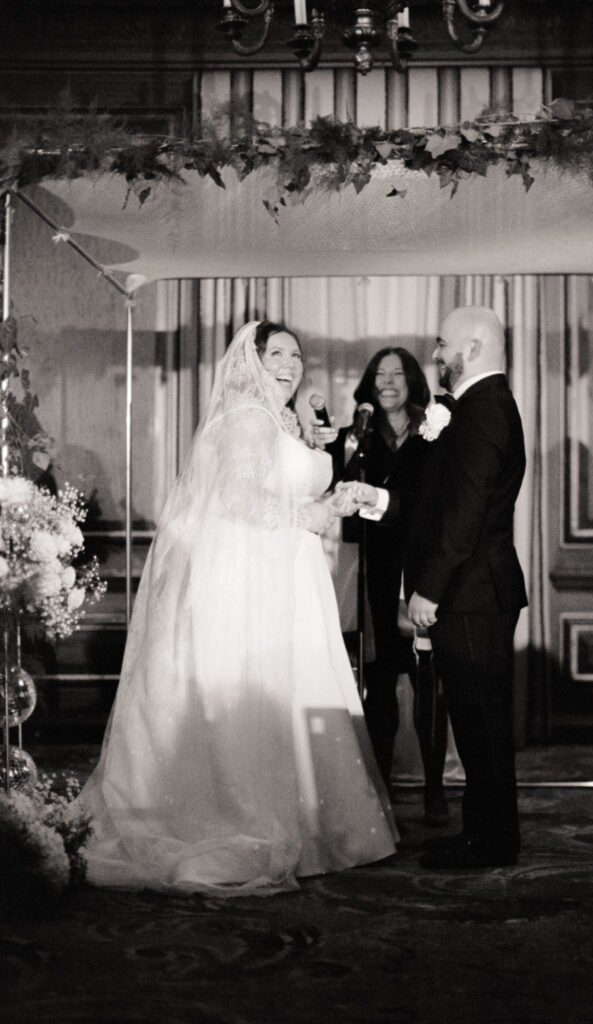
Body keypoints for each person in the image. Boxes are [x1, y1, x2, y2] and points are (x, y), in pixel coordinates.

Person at [77, 321, 397, 896]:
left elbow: (276, 490)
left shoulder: (281, 420)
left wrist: (327, 497)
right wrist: (312, 514)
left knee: (296, 688)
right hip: (252, 579)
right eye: (275, 353)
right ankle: (261, 821)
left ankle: (317, 828)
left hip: (288, 570)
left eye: (296, 355)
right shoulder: (246, 418)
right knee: (262, 694)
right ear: (250, 361)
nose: (289, 364)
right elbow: (238, 499)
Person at [404, 307, 527, 870]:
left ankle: (492, 842)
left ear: (472, 348)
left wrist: (429, 590)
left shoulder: (484, 410)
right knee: (478, 725)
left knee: (482, 726)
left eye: (442, 344)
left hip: (473, 594)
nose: (435, 354)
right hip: (475, 591)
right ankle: (483, 833)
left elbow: (466, 513)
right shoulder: (478, 407)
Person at [325, 347, 449, 827]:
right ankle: (379, 790)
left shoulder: (435, 427)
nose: (388, 382)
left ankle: (435, 788)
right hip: (374, 575)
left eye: (398, 374)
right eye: (380, 375)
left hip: (422, 576)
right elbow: (334, 486)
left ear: (413, 381)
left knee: (428, 686)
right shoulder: (356, 435)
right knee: (377, 689)